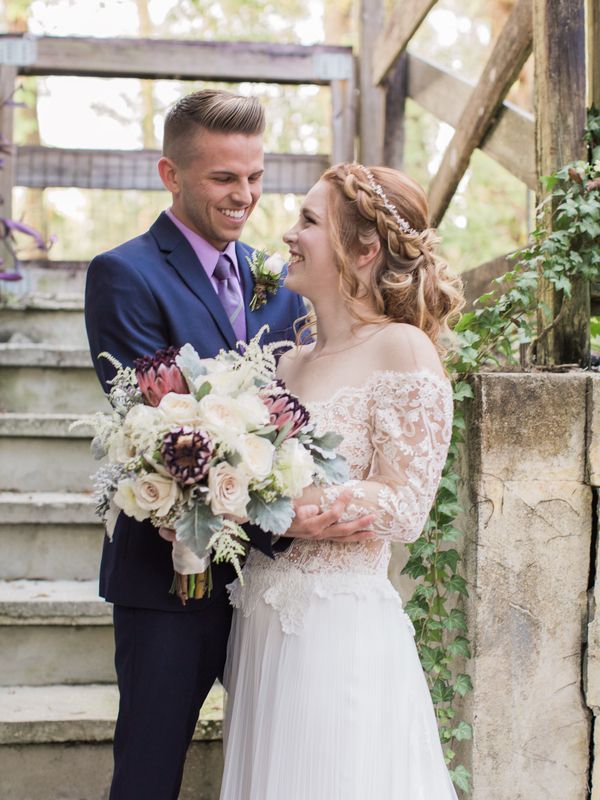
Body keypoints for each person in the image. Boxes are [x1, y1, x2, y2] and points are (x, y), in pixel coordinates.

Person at [85, 90, 372, 800]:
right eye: (223, 178)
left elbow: (296, 410)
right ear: (170, 174)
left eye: (254, 175)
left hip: (275, 585)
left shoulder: (277, 280)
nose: (244, 196)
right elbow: (160, 428)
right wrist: (287, 518)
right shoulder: (124, 275)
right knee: (148, 774)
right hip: (169, 580)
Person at [220, 163, 465, 799]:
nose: (287, 235)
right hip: (263, 622)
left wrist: (282, 506)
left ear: (363, 249)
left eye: (307, 221)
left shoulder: (402, 348)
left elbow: (406, 504)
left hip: (337, 626)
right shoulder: (286, 361)